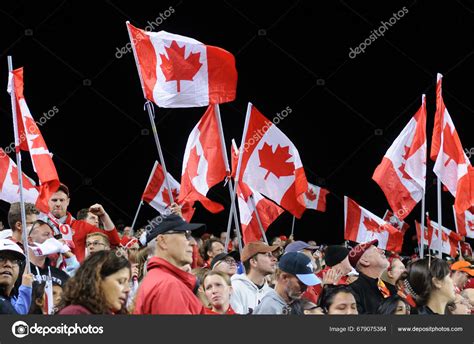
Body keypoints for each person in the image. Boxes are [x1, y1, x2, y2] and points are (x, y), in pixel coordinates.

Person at [134, 214, 206, 314]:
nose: (193, 242)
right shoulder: (168, 286)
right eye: (185, 235)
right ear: (162, 241)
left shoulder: (159, 279)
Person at [44, 183, 121, 262]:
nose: (58, 204)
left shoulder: (82, 226)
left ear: (68, 201)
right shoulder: (40, 227)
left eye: (62, 200)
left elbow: (113, 243)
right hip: (48, 273)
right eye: (54, 200)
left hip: (76, 273)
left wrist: (104, 216)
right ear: (47, 201)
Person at [58, 251, 131, 314]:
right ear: (97, 279)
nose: (128, 289)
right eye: (121, 282)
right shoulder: (75, 313)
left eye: (128, 282)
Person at [254, 252, 320, 315]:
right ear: (284, 277)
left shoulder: (293, 302)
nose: (305, 289)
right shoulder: (269, 308)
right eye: (301, 283)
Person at [230, 241, 278, 314]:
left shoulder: (271, 293)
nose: (275, 259)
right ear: (253, 262)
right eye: (268, 255)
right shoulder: (235, 287)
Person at [347, 240, 392, 314]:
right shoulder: (353, 292)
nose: (383, 251)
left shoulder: (391, 289)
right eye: (376, 250)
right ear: (364, 261)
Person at [0, 239, 32, 314]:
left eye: (14, 261)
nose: (8, 264)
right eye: (1, 258)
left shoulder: (12, 301)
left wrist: (26, 289)